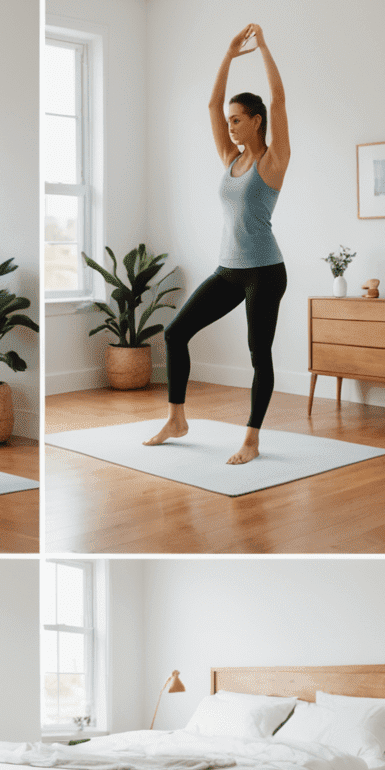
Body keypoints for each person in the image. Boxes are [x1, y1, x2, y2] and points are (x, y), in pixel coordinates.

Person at [144, 24, 290, 466]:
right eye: (228, 121)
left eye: (237, 119)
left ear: (256, 120)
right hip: (228, 269)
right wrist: (228, 55)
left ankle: (251, 437)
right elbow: (211, 103)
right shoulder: (230, 159)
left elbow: (280, 99)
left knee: (258, 353)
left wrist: (263, 48)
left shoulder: (273, 159)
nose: (228, 126)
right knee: (175, 333)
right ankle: (176, 418)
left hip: (265, 271)